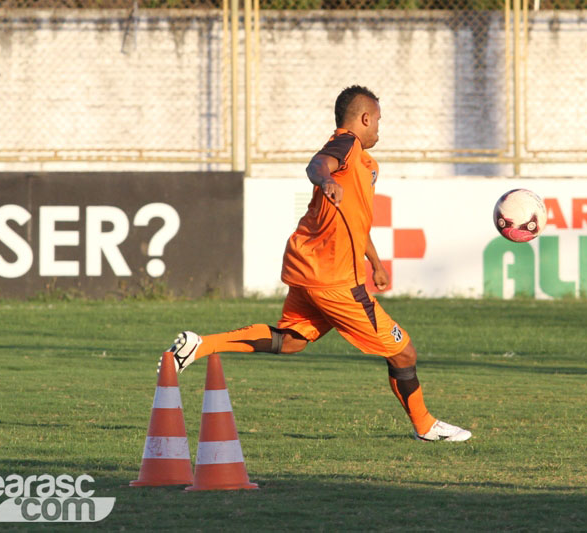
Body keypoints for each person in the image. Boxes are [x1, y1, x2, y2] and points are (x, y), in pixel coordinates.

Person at [166, 85, 471, 442]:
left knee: (291, 340)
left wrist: (375, 262)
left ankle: (199, 345)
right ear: (365, 118)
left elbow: (354, 221)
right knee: (403, 352)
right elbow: (317, 164)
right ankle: (426, 426)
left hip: (308, 268)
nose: (379, 130)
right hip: (335, 279)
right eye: (378, 122)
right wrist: (325, 179)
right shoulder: (347, 144)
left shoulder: (362, 163)